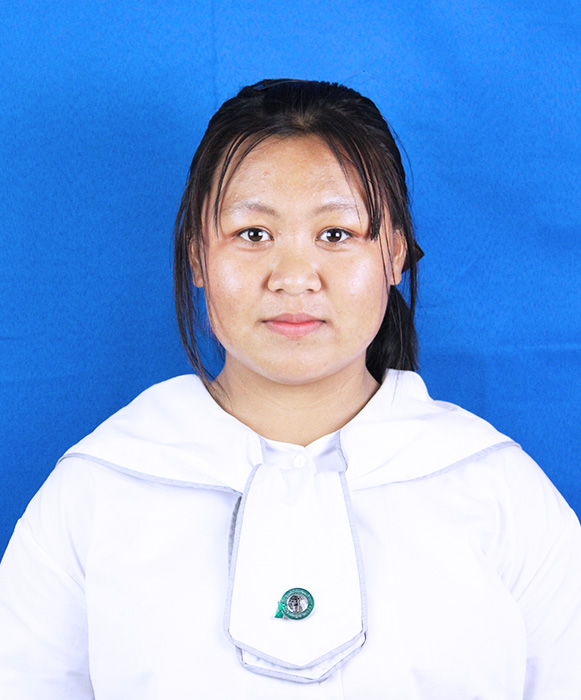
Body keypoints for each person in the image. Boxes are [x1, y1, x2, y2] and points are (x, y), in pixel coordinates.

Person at [0, 78, 580, 699]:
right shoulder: (98, 489)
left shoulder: (496, 487)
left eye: (336, 234)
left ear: (393, 254)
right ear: (198, 256)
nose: (295, 277)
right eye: (253, 234)